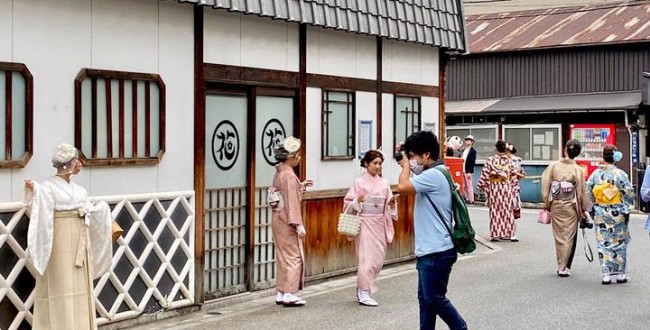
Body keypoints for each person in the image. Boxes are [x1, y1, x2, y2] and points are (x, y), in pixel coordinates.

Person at [24, 143, 113, 330]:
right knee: (60, 282)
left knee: (79, 286)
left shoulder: (80, 191)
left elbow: (88, 208)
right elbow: (39, 209)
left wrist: (102, 209)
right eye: (76, 160)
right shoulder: (48, 187)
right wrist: (36, 191)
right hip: (59, 240)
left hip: (80, 237)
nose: (79, 164)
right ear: (69, 164)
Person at [396, 131, 467, 330]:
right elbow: (413, 177)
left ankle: (461, 328)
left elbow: (402, 186)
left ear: (426, 155)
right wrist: (405, 156)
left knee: (434, 299)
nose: (412, 161)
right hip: (434, 249)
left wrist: (405, 165)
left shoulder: (434, 175)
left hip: (436, 251)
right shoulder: (439, 171)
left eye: (414, 156)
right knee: (426, 301)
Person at [343, 150, 398, 306]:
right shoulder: (359, 182)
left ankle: (364, 288)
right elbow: (348, 203)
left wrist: (392, 204)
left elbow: (389, 204)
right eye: (374, 163)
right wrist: (356, 201)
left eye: (380, 164)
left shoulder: (384, 183)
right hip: (365, 222)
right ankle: (364, 291)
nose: (377, 166)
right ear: (366, 164)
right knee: (366, 258)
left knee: (378, 258)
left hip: (379, 222)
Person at [271, 136, 313, 306]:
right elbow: (291, 202)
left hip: (278, 218)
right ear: (290, 157)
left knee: (283, 255)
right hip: (287, 219)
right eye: (297, 155)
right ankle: (289, 292)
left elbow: (286, 193)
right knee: (294, 256)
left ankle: (281, 291)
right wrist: (298, 224)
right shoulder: (288, 175)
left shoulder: (281, 172)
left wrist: (300, 186)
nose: (299, 158)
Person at [585, 144, 634, 285]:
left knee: (603, 243)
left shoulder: (595, 174)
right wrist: (625, 207)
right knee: (619, 243)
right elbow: (629, 192)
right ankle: (620, 274)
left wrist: (591, 209)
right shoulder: (620, 174)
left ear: (603, 157)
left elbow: (589, 194)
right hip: (617, 212)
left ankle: (606, 274)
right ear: (615, 157)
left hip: (601, 212)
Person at [541, 140, 589, 277]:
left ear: (565, 150)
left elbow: (546, 184)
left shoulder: (553, 166)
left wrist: (546, 203)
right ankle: (564, 266)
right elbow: (581, 191)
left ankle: (560, 264)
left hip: (556, 203)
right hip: (570, 205)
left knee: (559, 236)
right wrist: (584, 209)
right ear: (578, 153)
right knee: (568, 235)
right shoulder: (577, 169)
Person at [477, 140, 519, 242]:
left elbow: (485, 175)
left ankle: (495, 234)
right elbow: (513, 176)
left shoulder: (490, 160)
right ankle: (511, 234)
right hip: (507, 188)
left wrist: (482, 186)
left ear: (495, 149)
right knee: (508, 211)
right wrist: (515, 188)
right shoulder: (510, 161)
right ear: (505, 149)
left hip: (495, 188)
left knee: (495, 212)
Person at [506, 143, 526, 217]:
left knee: (508, 202)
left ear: (508, 151)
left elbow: (513, 171)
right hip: (515, 183)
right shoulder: (518, 160)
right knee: (514, 201)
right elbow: (522, 173)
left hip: (509, 183)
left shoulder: (509, 160)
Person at [461, 135, 477, 204]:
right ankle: (466, 198)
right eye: (466, 140)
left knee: (469, 185)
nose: (467, 141)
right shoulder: (464, 150)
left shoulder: (473, 151)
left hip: (468, 170)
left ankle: (471, 199)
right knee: (463, 185)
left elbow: (472, 162)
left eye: (469, 140)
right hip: (462, 169)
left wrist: (470, 172)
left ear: (472, 142)